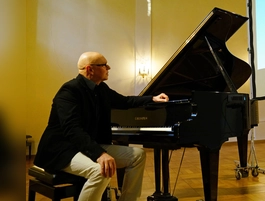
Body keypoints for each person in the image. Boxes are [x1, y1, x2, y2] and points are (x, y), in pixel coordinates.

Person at [34, 51, 169, 201]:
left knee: (137, 155)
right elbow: (72, 130)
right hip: (63, 150)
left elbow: (125, 101)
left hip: (86, 146)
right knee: (101, 171)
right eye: (104, 65)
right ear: (89, 69)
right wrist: (100, 154)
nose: (108, 67)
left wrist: (152, 98)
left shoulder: (101, 89)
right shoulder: (69, 91)